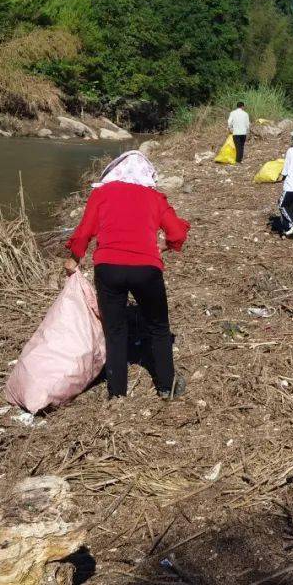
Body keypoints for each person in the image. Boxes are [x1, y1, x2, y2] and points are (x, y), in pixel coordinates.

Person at [65, 151, 191, 400]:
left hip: (108, 268)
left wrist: (74, 258)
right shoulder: (154, 197)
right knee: (158, 327)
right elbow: (177, 233)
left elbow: (84, 232)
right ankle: (166, 386)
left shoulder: (101, 194)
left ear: (115, 171)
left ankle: (117, 394)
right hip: (146, 269)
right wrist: (164, 246)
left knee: (115, 330)